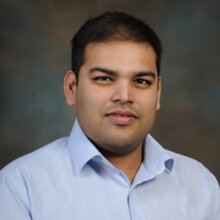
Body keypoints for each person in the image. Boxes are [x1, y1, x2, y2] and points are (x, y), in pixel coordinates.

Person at [0, 12, 219, 220]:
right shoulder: (19, 187)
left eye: (141, 81)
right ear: (71, 87)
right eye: (104, 78)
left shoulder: (200, 184)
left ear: (158, 93)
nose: (124, 96)